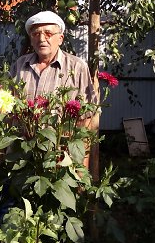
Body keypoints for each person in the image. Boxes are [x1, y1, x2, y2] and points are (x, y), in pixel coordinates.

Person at [10, 10, 99, 171]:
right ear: (31, 39)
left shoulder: (76, 67)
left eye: (48, 33)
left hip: (60, 159)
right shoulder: (20, 65)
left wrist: (81, 169)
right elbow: (9, 112)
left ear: (60, 38)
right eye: (36, 34)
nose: (41, 39)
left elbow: (85, 121)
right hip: (23, 158)